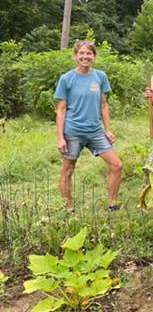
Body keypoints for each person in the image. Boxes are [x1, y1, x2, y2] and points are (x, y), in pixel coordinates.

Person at [54, 40, 122, 211]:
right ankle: (68, 206)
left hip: (95, 131)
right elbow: (61, 110)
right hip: (73, 132)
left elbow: (103, 105)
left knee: (116, 165)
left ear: (94, 56)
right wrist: (60, 137)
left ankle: (112, 204)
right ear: (75, 56)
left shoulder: (100, 77)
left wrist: (107, 129)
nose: (85, 57)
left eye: (89, 54)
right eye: (82, 54)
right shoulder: (66, 79)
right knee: (68, 170)